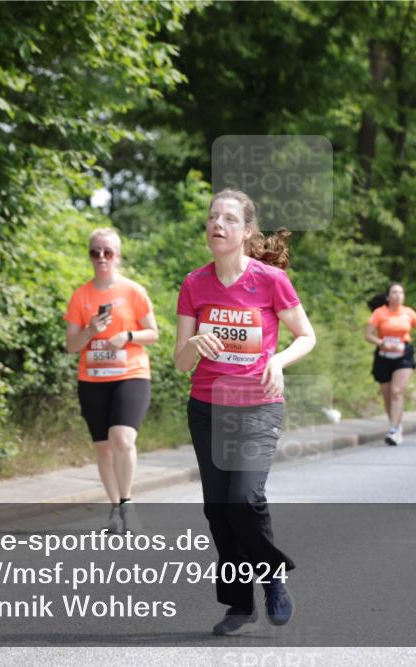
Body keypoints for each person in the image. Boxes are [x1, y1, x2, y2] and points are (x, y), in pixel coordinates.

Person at [174, 188, 315, 635]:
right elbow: (180, 361)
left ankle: (273, 578)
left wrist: (276, 360)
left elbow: (306, 336)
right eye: (213, 217)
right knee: (218, 510)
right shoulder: (195, 284)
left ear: (247, 231)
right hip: (206, 409)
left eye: (229, 219)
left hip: (257, 407)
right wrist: (192, 345)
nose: (218, 224)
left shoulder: (270, 281)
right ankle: (240, 604)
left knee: (243, 499)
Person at [64, 228, 158, 533]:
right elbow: (71, 345)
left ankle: (128, 503)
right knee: (104, 448)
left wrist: (127, 336)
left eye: (108, 252)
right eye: (96, 252)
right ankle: (115, 509)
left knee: (122, 438)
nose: (102, 257)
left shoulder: (133, 291)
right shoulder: (81, 296)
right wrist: (90, 330)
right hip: (92, 378)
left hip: (130, 374)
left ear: (117, 256)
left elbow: (153, 333)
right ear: (89, 255)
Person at [365, 283, 416, 445]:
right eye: (394, 292)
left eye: (401, 292)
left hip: (403, 354)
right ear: (387, 297)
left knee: (397, 391)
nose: (398, 295)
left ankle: (393, 429)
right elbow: (368, 335)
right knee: (387, 395)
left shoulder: (408, 313)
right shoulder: (379, 313)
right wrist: (381, 342)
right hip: (383, 354)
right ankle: (396, 426)